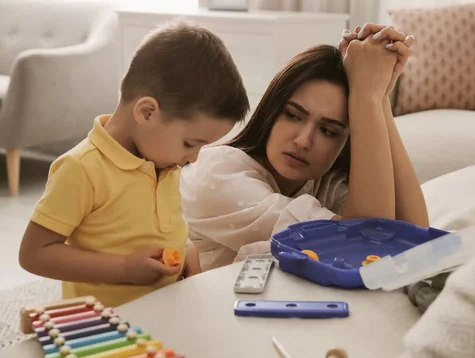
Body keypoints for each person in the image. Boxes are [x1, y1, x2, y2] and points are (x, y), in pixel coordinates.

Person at [18, 19, 249, 307]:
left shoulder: (163, 161)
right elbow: (34, 254)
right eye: (191, 143)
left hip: (165, 310)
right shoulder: (82, 168)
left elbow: (156, 229)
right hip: (106, 325)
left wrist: (186, 250)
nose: (194, 157)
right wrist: (124, 268)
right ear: (147, 112)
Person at [180, 23, 429, 272]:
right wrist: (367, 95)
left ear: (344, 144)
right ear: (271, 112)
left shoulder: (325, 184)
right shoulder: (219, 173)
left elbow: (418, 242)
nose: (303, 141)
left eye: (328, 131)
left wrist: (378, 94)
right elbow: (365, 245)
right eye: (293, 115)